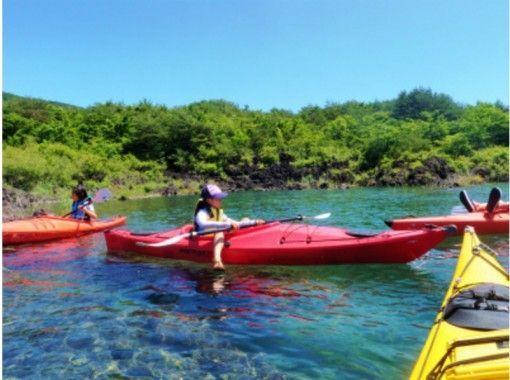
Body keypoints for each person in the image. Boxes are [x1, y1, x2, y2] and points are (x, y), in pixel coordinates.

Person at [194, 184, 263, 270]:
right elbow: (202, 224)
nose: (221, 200)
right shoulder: (202, 212)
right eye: (218, 198)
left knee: (245, 219)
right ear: (209, 200)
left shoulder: (218, 211)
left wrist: (254, 222)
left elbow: (234, 222)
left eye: (220, 198)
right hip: (204, 237)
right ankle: (217, 261)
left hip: (217, 234)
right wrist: (226, 225)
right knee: (219, 231)